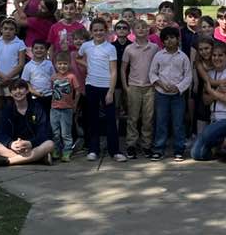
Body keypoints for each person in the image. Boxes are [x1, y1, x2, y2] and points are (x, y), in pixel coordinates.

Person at [191, 42, 226, 163]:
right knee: (197, 154)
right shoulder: (210, 75)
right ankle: (222, 148)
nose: (217, 58)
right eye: (214, 55)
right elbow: (206, 101)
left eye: (220, 55)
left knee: (207, 134)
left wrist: (211, 91)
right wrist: (217, 90)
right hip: (216, 120)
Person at [78, 18, 125, 162]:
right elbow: (78, 57)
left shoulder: (110, 48)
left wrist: (111, 91)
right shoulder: (86, 46)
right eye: (95, 30)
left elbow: (114, 71)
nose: (98, 33)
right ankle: (93, 149)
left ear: (106, 31)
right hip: (91, 85)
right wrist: (88, 66)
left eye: (101, 30)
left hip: (106, 87)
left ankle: (114, 151)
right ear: (91, 32)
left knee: (110, 119)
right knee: (93, 119)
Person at [0, 79, 56, 167]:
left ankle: (7, 161)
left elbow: (45, 132)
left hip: (33, 146)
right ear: (11, 94)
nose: (18, 91)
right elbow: (0, 134)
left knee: (50, 144)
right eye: (14, 89)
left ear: (27, 91)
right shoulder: (6, 110)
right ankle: (38, 158)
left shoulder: (37, 108)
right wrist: (11, 144)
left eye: (21, 88)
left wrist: (30, 143)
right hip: (15, 147)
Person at [148, 26, 193, 161]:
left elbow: (188, 76)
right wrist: (161, 84)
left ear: (178, 39)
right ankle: (158, 149)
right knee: (161, 122)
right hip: (161, 94)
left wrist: (178, 88)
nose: (169, 41)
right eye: (166, 39)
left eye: (172, 38)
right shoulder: (158, 55)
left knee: (178, 123)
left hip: (177, 95)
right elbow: (152, 73)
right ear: (162, 42)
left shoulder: (183, 57)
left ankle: (179, 149)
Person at [123, 19, 158, 159]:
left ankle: (146, 145)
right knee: (133, 117)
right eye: (138, 27)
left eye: (144, 27)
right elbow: (123, 68)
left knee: (148, 118)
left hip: (150, 87)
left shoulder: (154, 48)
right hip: (134, 86)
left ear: (148, 30)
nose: (141, 30)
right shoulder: (129, 49)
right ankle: (131, 144)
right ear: (133, 31)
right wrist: (126, 86)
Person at [0, 18, 27, 114]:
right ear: (1, 29)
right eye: (5, 28)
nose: (8, 31)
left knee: (13, 105)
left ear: (15, 31)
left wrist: (8, 77)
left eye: (11, 29)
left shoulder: (20, 43)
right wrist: (2, 76)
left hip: (13, 79)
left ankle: (13, 127)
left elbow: (21, 63)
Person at [49, 53, 80, 162]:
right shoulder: (53, 77)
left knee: (65, 133)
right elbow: (51, 91)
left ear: (69, 64)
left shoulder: (72, 77)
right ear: (55, 64)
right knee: (55, 132)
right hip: (54, 109)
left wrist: (74, 104)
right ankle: (56, 150)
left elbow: (77, 92)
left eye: (65, 64)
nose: (62, 66)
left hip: (67, 109)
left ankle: (67, 151)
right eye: (60, 64)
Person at [22, 40, 54, 115]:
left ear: (46, 50)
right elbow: (25, 82)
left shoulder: (49, 64)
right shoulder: (28, 66)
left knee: (48, 115)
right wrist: (34, 92)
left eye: (42, 48)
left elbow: (54, 79)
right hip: (35, 96)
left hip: (49, 95)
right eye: (36, 48)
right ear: (32, 50)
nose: (39, 50)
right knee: (36, 116)